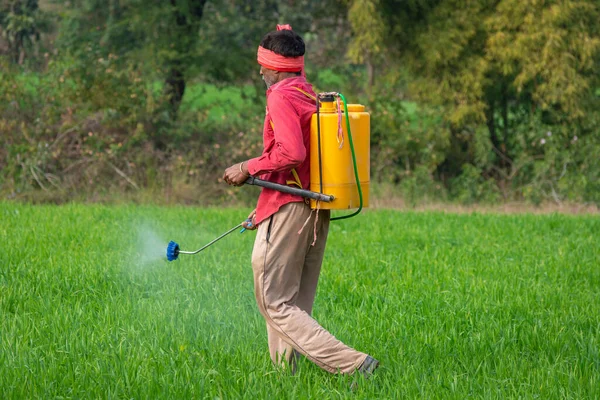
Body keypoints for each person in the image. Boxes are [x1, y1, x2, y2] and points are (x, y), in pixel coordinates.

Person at [222, 24, 378, 376]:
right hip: (311, 208)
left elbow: (292, 152)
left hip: (290, 211)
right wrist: (263, 207)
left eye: (262, 64)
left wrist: (247, 167)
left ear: (275, 66)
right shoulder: (307, 91)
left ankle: (354, 365)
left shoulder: (279, 95)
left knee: (274, 301)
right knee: (293, 304)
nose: (259, 70)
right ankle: (284, 377)